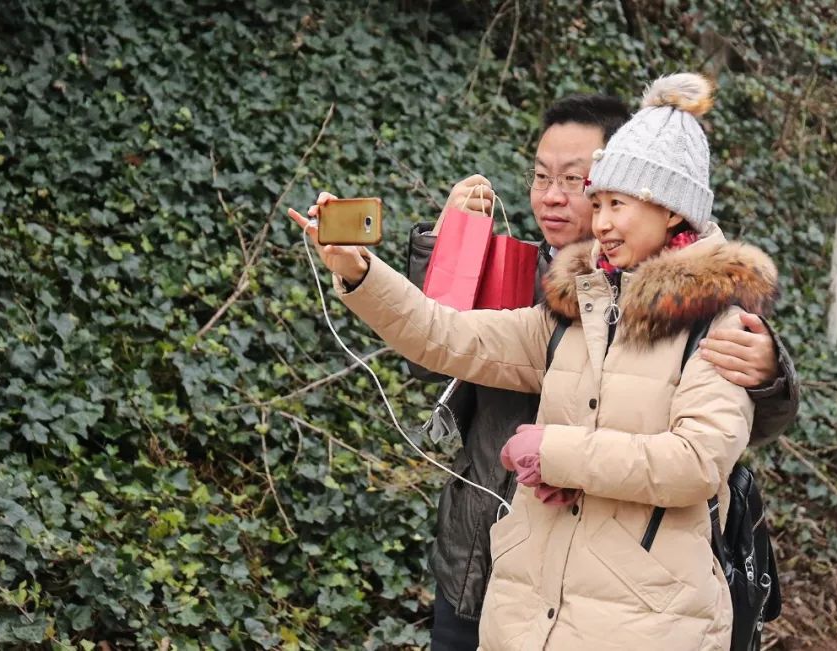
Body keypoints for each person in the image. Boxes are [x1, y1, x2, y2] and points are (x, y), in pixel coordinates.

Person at [290, 72, 783, 649]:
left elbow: (696, 463)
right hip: (527, 609)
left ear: (672, 211)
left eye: (613, 202)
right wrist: (359, 272)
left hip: (647, 619)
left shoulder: (718, 320)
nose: (597, 221)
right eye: (594, 201)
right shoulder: (573, 305)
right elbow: (443, 336)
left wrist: (552, 453)